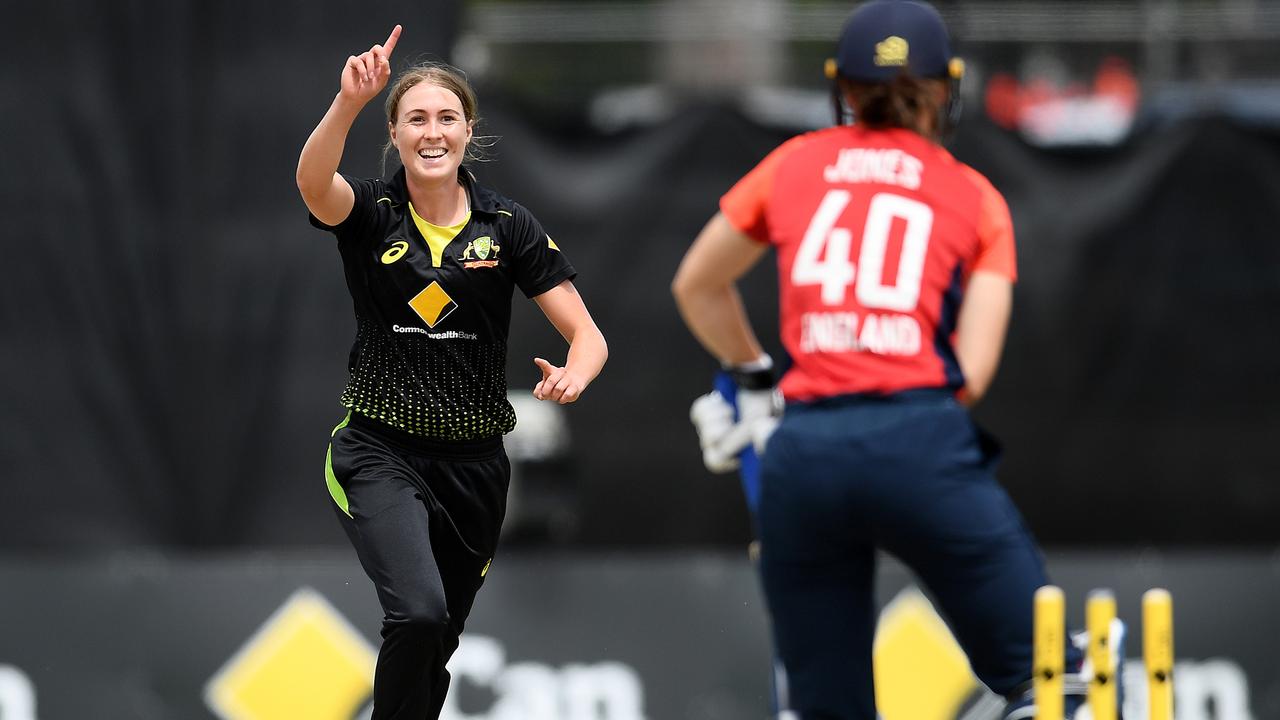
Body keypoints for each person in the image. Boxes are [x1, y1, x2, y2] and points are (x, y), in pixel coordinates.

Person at [672, 2, 1081, 718]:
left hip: (804, 455)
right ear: (945, 90)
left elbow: (697, 285)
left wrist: (757, 375)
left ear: (843, 89)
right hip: (920, 440)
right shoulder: (974, 196)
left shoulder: (794, 163)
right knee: (1054, 684)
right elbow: (972, 375)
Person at [296, 25, 607, 719]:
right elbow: (315, 184)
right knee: (419, 612)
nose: (432, 133)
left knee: (435, 645)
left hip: (476, 470)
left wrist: (575, 375)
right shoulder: (373, 215)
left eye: (446, 119)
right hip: (380, 451)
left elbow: (586, 335)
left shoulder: (507, 226)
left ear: (469, 133)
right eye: (416, 120)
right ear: (396, 134)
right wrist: (347, 103)